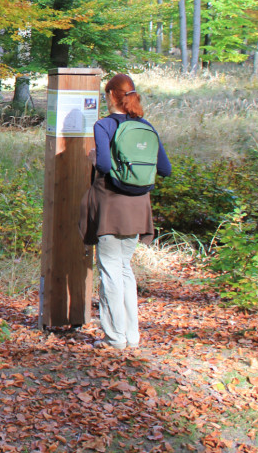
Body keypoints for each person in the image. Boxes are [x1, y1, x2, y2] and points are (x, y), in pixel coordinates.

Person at [79, 73, 172, 350]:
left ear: (110, 96)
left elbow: (105, 167)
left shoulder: (104, 125)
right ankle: (132, 335)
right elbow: (164, 169)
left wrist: (95, 158)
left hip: (111, 205)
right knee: (125, 270)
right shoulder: (146, 126)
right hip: (139, 207)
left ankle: (115, 337)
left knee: (109, 271)